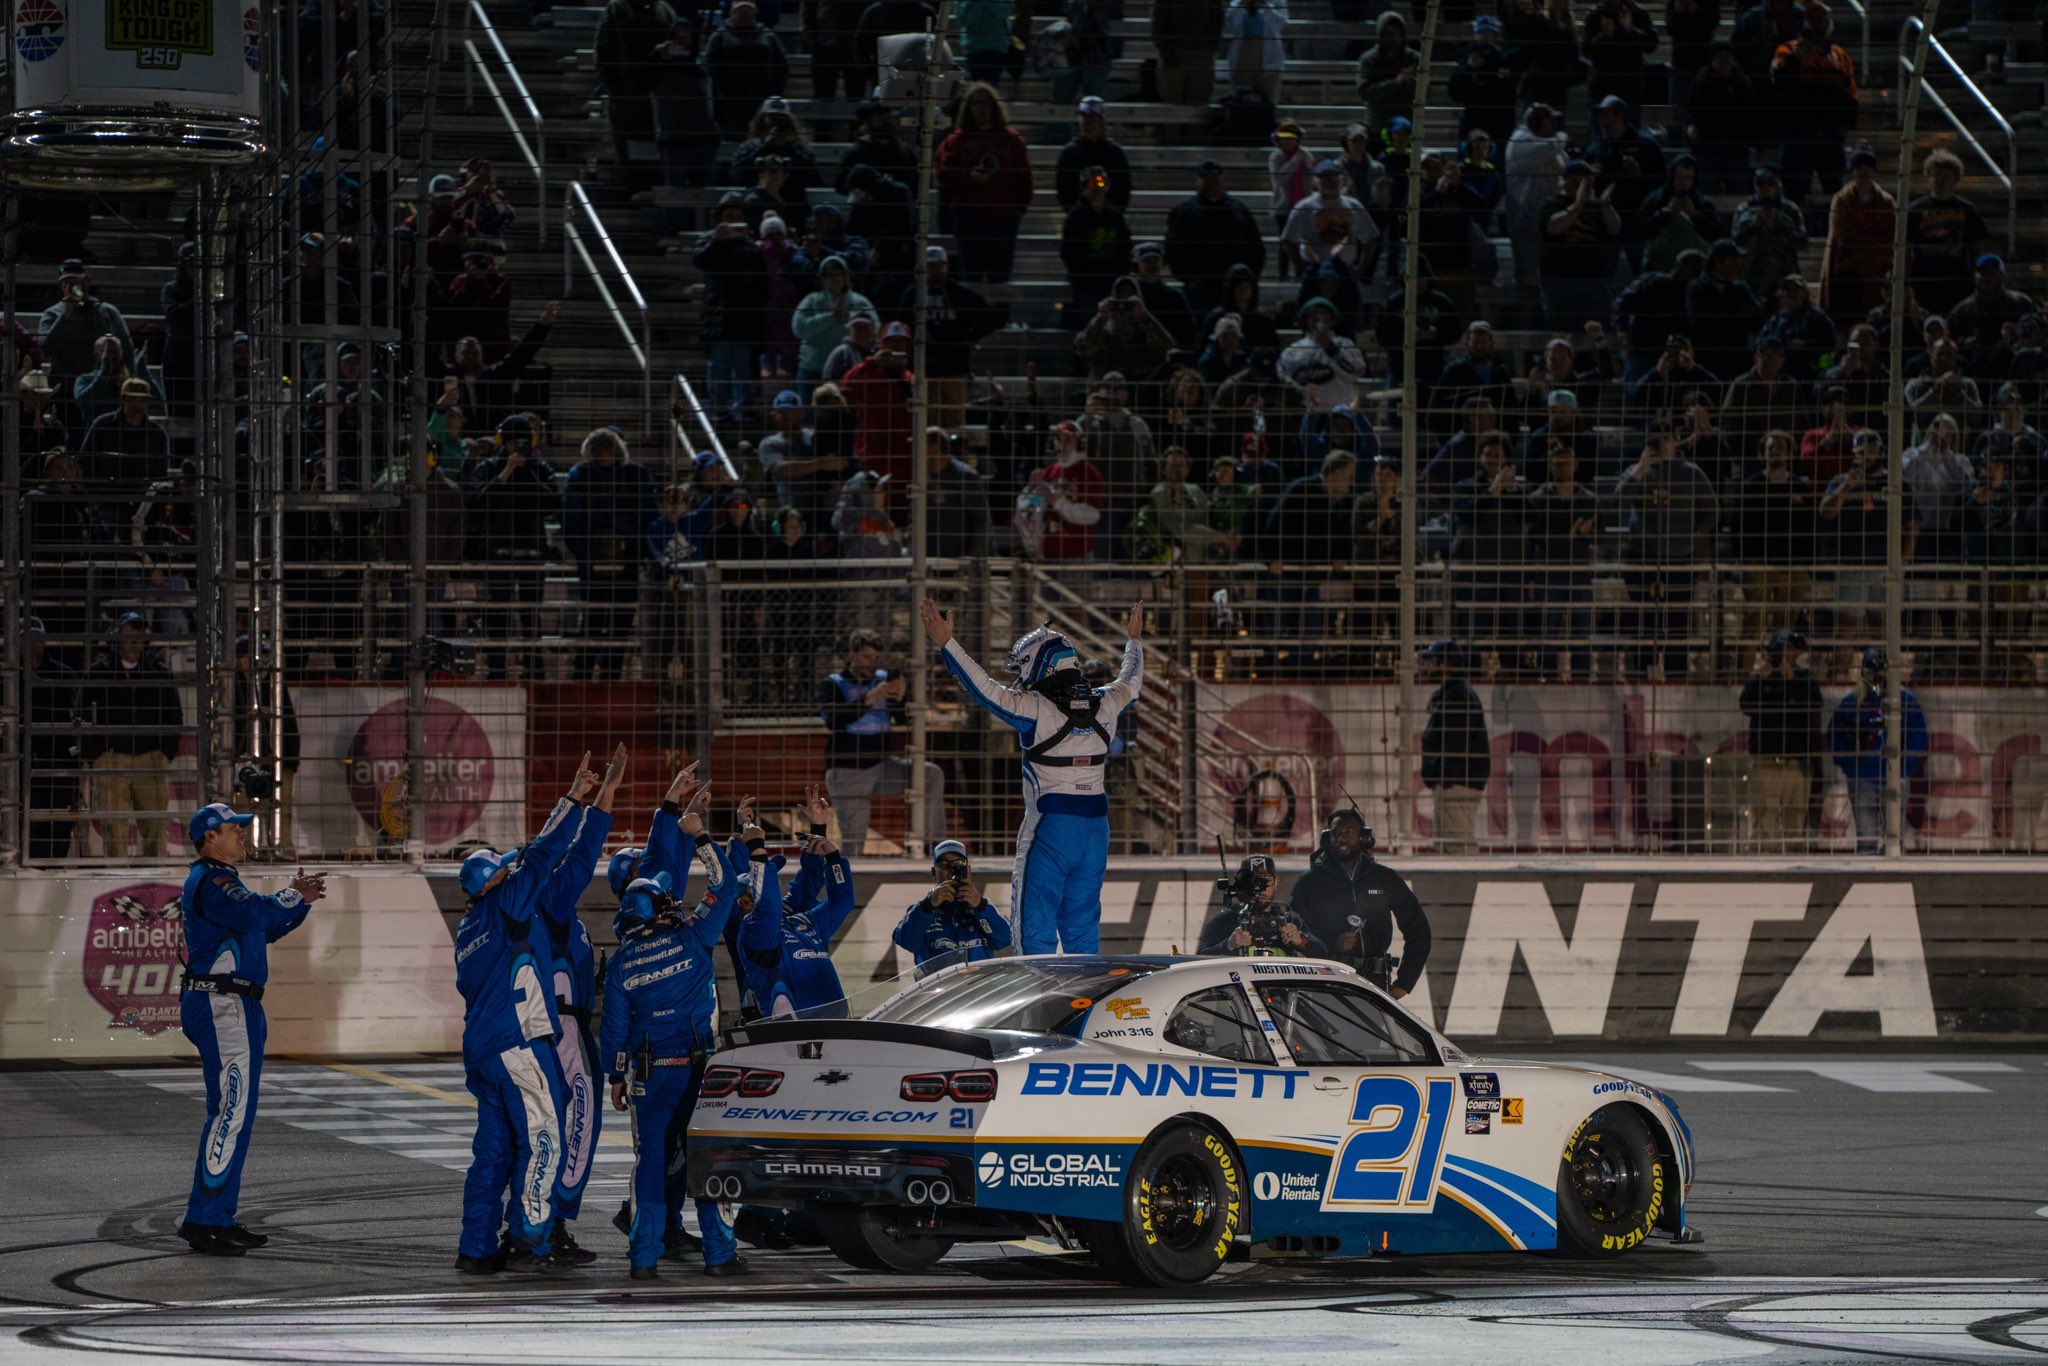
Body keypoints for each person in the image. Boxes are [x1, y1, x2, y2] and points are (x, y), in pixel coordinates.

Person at [453, 757, 611, 1275]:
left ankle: (476, 1248)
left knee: (493, 1153)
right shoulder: (508, 904)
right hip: (520, 1042)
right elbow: (544, 854)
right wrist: (573, 799)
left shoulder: (468, 930)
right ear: (493, 882)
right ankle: (529, 1240)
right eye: (505, 869)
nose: (513, 872)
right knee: (545, 1138)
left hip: (482, 1050)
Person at [923, 597, 1142, 953]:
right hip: (1096, 831)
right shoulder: (1108, 702)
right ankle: (1087, 993)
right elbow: (1132, 679)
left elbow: (986, 691)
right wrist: (1134, 641)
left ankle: (1039, 994)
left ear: (1042, 664)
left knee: (1033, 934)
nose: (1021, 677)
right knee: (1083, 934)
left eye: (1022, 667)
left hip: (1051, 829)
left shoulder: (1035, 708)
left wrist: (948, 644)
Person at [172, 804, 326, 1257]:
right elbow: (258, 914)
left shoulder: (223, 881)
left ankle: (218, 1216)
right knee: (230, 1111)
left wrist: (301, 902)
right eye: (233, 828)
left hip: (234, 1004)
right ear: (210, 836)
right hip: (222, 1002)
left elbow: (265, 928)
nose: (241, 833)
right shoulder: (212, 880)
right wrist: (292, 895)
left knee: (234, 1113)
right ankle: (204, 1219)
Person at [602, 844, 746, 1278]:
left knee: (649, 1163)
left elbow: (614, 1027)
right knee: (707, 1158)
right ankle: (719, 1256)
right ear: (660, 908)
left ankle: (644, 1259)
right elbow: (725, 884)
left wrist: (615, 1075)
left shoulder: (621, 962)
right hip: (700, 1071)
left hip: (648, 1075)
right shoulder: (693, 936)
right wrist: (700, 839)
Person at [535, 746, 630, 1263]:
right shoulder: (549, 901)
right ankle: (549, 1224)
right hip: (563, 1031)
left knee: (549, 1127)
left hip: (553, 1025)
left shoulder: (556, 912)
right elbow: (578, 854)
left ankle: (533, 1223)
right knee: (578, 1123)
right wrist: (600, 796)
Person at [819, 629, 946, 855]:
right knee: (854, 841)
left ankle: (934, 847)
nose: (872, 663)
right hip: (849, 768)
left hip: (883, 764)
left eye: (876, 658)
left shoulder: (882, 679)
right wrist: (870, 697)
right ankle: (850, 873)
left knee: (931, 774)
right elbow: (835, 721)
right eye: (866, 657)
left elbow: (904, 719)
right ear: (852, 655)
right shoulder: (833, 683)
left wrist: (901, 698)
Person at [1287, 808, 1430, 995]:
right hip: (1326, 981)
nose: (1341, 838)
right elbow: (1293, 930)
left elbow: (1418, 930)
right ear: (1326, 839)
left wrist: (1405, 982)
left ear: (1364, 838)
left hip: (1375, 982)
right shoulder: (1310, 881)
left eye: (1349, 832)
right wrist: (1331, 942)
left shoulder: (1385, 878)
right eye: (1336, 833)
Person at [738, 796, 859, 1017]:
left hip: (840, 1027)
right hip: (797, 1035)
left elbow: (841, 900)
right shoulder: (752, 931)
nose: (775, 885)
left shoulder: (800, 921)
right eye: (765, 881)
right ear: (745, 901)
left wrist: (830, 853)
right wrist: (756, 849)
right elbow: (768, 907)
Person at [83, 613, 182, 858]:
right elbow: (83, 712)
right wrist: (96, 756)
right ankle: (116, 876)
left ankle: (153, 875)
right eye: (128, 635)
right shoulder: (99, 671)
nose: (134, 641)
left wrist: (164, 754)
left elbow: (174, 715)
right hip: (112, 757)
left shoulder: (158, 671)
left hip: (149, 757)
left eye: (139, 635)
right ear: (117, 638)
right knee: (113, 828)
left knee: (155, 826)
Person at [1828, 648, 1928, 855]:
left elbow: (1918, 737)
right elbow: (1835, 738)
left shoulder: (1905, 700)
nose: (1875, 677)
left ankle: (1894, 873)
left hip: (1894, 776)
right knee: (1867, 840)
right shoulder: (1852, 702)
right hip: (1863, 778)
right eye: (1871, 671)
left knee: (1895, 840)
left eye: (1879, 672)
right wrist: (1852, 768)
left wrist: (1903, 767)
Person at [934, 83, 1035, 285]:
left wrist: (1016, 212)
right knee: (970, 279)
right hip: (969, 219)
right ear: (968, 107)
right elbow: (942, 173)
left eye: (986, 103)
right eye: (976, 103)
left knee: (1000, 279)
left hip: (1003, 219)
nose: (981, 108)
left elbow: (1024, 180)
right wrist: (969, 176)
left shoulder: (1011, 140)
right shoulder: (957, 140)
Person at [1740, 629, 1823, 851]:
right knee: (1761, 829)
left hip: (1796, 763)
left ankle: (1797, 867)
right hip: (1766, 762)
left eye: (1791, 650)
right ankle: (1759, 866)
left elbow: (1815, 704)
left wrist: (1792, 680)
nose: (1787, 655)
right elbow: (1746, 705)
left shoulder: (1803, 678)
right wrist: (1760, 678)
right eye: (1782, 650)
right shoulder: (1761, 677)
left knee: (1795, 828)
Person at [890, 839, 1012, 969]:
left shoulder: (983, 908)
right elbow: (905, 941)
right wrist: (928, 905)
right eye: (944, 865)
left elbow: (1006, 939)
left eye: (958, 864)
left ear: (968, 870)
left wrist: (980, 905)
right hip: (939, 981)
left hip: (979, 981)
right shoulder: (922, 910)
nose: (951, 870)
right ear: (934, 872)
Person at [1166, 161, 1268, 314]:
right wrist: (1187, 278)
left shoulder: (1238, 209)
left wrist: (1249, 278)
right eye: (1205, 178)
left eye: (1214, 178)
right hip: (1202, 287)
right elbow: (1173, 248)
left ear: (1221, 179)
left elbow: (1255, 246)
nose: (1210, 183)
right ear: (1198, 180)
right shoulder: (1184, 211)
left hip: (1235, 285)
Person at [1419, 639, 1490, 852]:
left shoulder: (1456, 695)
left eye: (1432, 660)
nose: (1428, 665)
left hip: (1456, 782)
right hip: (1455, 781)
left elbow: (1455, 744)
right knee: (1450, 844)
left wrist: (1442, 776)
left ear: (1445, 663)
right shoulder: (1453, 692)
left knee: (1456, 846)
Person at [1196, 854, 1324, 957]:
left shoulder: (1288, 920)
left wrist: (1301, 940)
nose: (1259, 888)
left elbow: (1322, 953)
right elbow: (1201, 957)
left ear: (1276, 882)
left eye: (1266, 880)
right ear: (1241, 883)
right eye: (1252, 881)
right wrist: (1228, 945)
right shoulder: (1226, 919)